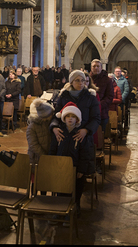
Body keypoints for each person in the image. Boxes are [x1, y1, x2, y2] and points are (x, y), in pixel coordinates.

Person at [49, 70, 101, 212]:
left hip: (82, 138)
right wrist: (54, 127)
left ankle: (75, 203)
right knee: (62, 172)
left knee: (79, 173)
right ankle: (61, 205)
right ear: (71, 82)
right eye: (77, 80)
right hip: (65, 136)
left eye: (83, 80)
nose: (81, 83)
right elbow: (56, 115)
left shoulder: (90, 97)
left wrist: (86, 130)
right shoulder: (64, 95)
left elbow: (96, 118)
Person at [26, 98, 54, 195]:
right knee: (36, 182)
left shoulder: (50, 123)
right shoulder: (32, 127)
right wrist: (44, 156)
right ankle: (34, 199)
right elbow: (33, 145)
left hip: (47, 158)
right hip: (36, 158)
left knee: (45, 181)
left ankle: (43, 199)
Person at [90, 59, 113, 132]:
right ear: (91, 68)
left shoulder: (107, 80)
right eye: (94, 66)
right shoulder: (87, 79)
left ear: (101, 67)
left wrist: (98, 105)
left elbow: (109, 97)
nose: (96, 68)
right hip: (89, 113)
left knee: (100, 136)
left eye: (97, 66)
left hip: (102, 113)